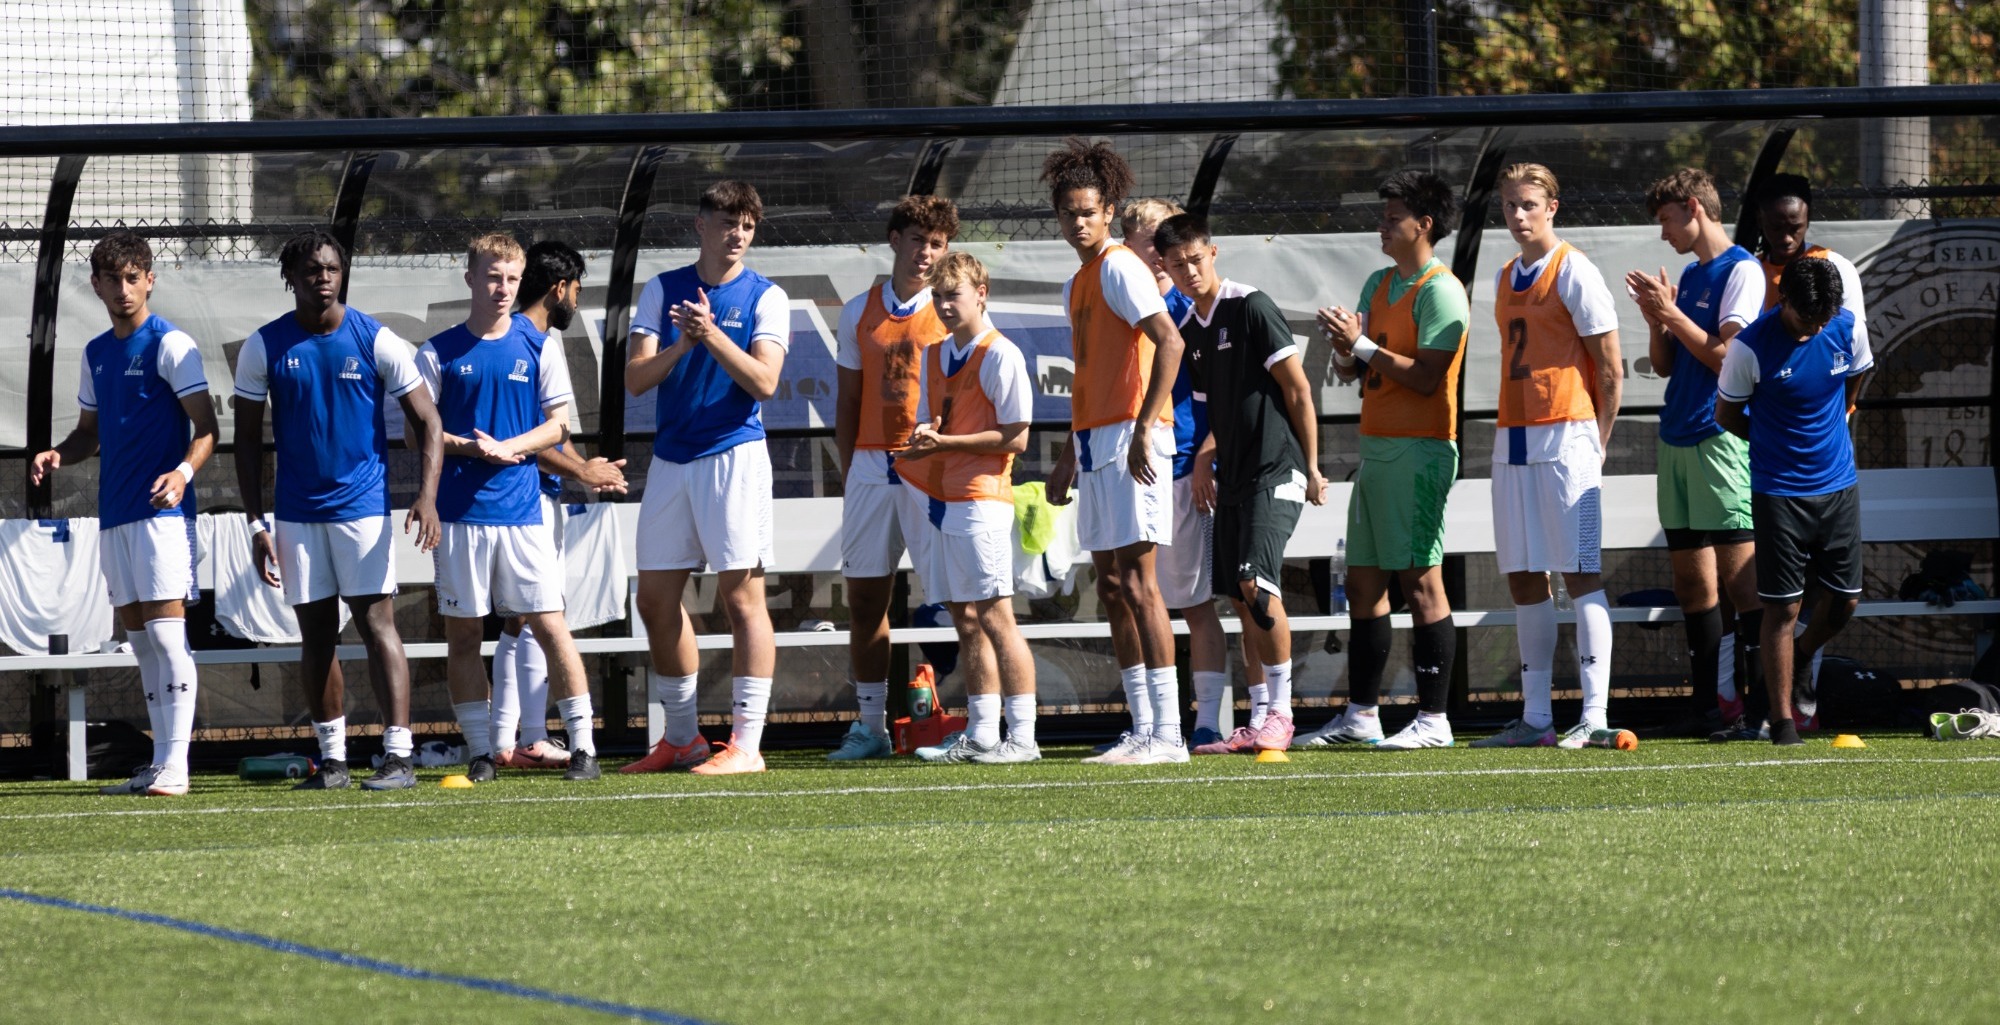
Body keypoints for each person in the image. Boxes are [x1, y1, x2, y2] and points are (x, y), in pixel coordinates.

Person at [233, 230, 443, 791]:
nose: (322, 278)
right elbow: (248, 443)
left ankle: (399, 757)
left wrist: (427, 496)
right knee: (317, 635)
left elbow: (429, 421)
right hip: (297, 517)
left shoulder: (375, 338)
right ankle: (333, 761)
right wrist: (258, 524)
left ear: (342, 273)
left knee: (378, 626)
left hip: (363, 511)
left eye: (331, 269)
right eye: (310, 271)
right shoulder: (264, 346)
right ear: (290, 279)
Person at [33, 231, 217, 796]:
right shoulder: (95, 353)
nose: (122, 289)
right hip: (114, 517)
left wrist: (182, 475)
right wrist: (60, 453)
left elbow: (208, 428)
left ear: (149, 279)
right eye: (111, 279)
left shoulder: (171, 343)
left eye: (132, 277)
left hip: (161, 516)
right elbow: (89, 434)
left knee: (166, 640)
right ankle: (160, 764)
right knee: (140, 646)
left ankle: (177, 765)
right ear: (96, 285)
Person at [418, 234, 602, 783]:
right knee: (464, 636)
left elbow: (559, 424)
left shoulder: (540, 346)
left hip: (523, 515)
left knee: (551, 626)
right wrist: (472, 448)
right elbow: (418, 436)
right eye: (493, 277)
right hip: (458, 516)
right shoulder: (436, 352)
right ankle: (481, 752)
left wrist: (513, 447)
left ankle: (585, 748)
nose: (503, 289)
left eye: (513, 279)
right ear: (471, 278)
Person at [621, 180, 789, 776]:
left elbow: (765, 383)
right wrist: (685, 343)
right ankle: (684, 739)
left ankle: (746, 746)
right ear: (700, 225)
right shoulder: (662, 289)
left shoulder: (767, 296)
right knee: (655, 599)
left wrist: (712, 333)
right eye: (727, 222)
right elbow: (637, 379)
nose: (738, 234)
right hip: (672, 461)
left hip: (734, 457)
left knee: (742, 599)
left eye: (747, 224)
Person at [1038, 139, 1191, 767]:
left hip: (1133, 437)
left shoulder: (1122, 265)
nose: (1079, 221)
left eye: (1088, 211)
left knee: (1141, 583)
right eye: (1069, 212)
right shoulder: (1080, 278)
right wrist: (1069, 455)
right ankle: (1141, 726)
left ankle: (1170, 735)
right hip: (1095, 441)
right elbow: (1091, 371)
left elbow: (1170, 343)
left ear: (1109, 212)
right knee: (1111, 584)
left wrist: (1141, 429)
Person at [1153, 216, 1328, 757]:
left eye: (1196, 259)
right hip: (1232, 476)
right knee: (1236, 594)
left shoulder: (1249, 304)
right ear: (1165, 268)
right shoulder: (1192, 331)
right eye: (1177, 264)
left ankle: (1281, 713)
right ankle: (1257, 717)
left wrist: (1314, 466)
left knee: (1256, 581)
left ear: (1213, 252)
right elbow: (1212, 409)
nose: (1189, 271)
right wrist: (1206, 456)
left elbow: (1297, 389)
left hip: (1277, 469)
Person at [1307, 171, 1467, 750]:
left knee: (1422, 582)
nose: (1381, 224)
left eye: (1392, 215)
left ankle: (1434, 720)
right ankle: (1362, 716)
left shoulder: (1441, 290)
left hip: (1420, 451)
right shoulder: (1379, 282)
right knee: (1365, 584)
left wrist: (1364, 346)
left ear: (1423, 225)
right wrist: (1346, 347)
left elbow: (1427, 378)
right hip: (1376, 452)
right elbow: (1360, 370)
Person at [1469, 163, 1627, 749]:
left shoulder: (1575, 270)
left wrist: (1597, 441)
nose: (1518, 215)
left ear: (1552, 207)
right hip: (1513, 436)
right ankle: (1536, 719)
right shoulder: (1505, 273)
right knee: (1521, 575)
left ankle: (1595, 714)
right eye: (1510, 205)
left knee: (1581, 571)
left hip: (1569, 436)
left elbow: (1610, 369)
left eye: (1529, 204)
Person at [1624, 168, 1766, 743]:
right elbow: (1665, 364)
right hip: (1676, 436)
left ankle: (1762, 708)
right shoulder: (1689, 273)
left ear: (1692, 208)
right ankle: (1709, 705)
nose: (1663, 234)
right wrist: (1656, 319)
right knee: (1691, 585)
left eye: (1665, 220)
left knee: (1742, 583)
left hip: (1718, 438)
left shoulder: (1742, 271)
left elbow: (1729, 357)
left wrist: (1673, 313)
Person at [1715, 257, 1871, 746]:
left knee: (1845, 601)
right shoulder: (1749, 348)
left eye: (1824, 318)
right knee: (1781, 609)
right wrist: (1769, 443)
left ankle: (1801, 655)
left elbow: (1857, 376)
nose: (1818, 326)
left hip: (1839, 486)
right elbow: (1725, 414)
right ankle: (1783, 723)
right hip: (1779, 492)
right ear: (1784, 300)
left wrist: (1843, 412)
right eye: (1809, 319)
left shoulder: (1846, 327)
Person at [896, 252, 1040, 764]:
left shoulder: (1001, 354)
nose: (944, 304)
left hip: (982, 499)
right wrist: (923, 437)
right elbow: (928, 422)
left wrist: (946, 443)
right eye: (937, 296)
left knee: (997, 617)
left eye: (953, 294)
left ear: (982, 292)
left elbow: (1017, 436)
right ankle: (981, 733)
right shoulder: (934, 354)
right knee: (964, 619)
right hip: (942, 500)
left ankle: (1022, 737)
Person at [488, 240, 627, 771]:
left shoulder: (524, 337)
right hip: (524, 503)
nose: (578, 300)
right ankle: (522, 736)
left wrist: (588, 468)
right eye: (578, 290)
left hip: (527, 499)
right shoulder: (529, 340)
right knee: (539, 616)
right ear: (560, 289)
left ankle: (512, 738)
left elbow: (550, 436)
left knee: (521, 619)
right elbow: (535, 440)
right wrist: (583, 470)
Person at [828, 195, 958, 762]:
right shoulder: (857, 310)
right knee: (864, 600)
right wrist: (849, 466)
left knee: (960, 598)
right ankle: (871, 726)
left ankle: (975, 723)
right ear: (894, 240)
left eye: (937, 244)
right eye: (917, 240)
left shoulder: (955, 311)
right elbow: (849, 399)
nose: (926, 253)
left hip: (931, 468)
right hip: (869, 467)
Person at [1122, 197, 1239, 751]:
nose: (1156, 254)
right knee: (1134, 593)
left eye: (1161, 243)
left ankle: (1211, 721)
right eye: (1145, 242)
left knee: (1198, 602)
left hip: (1185, 464)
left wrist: (1204, 458)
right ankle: (1149, 726)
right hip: (1140, 466)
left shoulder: (1190, 310)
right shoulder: (1126, 301)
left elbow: (1222, 395)